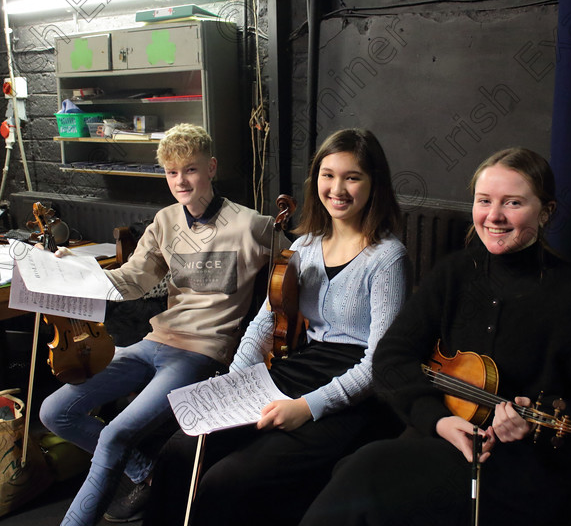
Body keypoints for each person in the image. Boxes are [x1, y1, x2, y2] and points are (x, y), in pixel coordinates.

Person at [299, 148, 571, 526]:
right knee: (356, 470)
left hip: (517, 471)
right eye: (484, 201)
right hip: (438, 438)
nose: (494, 216)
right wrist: (438, 420)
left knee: (366, 473)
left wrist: (532, 427)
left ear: (546, 211)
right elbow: (391, 358)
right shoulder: (455, 273)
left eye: (513, 203)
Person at [145, 128, 410, 526]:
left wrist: (308, 407)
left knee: (230, 479)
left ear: (374, 184)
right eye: (328, 175)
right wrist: (230, 389)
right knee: (182, 449)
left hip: (353, 389)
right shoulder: (303, 247)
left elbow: (378, 364)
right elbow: (263, 323)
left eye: (352, 177)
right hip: (302, 366)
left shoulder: (387, 257)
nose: (337, 188)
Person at [39, 124, 280, 526]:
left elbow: (295, 272)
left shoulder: (251, 225)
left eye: (190, 169)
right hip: (156, 341)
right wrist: (75, 270)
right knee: (54, 412)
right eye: (172, 172)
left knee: (115, 433)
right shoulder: (166, 221)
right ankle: (146, 473)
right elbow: (131, 281)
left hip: (203, 353)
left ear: (212, 168)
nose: (181, 181)